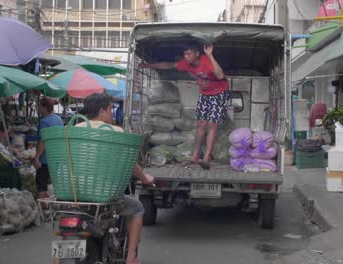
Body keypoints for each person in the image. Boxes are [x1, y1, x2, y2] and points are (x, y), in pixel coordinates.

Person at [76, 93, 154, 264]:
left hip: (73, 192)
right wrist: (145, 178)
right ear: (102, 111)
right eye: (111, 109)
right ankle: (131, 257)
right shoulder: (114, 132)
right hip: (102, 193)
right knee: (137, 208)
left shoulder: (74, 130)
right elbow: (130, 164)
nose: (112, 113)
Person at [139, 43, 229, 169]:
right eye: (184, 54)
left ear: (197, 54)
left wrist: (210, 55)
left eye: (188, 54)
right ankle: (195, 156)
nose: (186, 57)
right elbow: (169, 65)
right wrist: (148, 65)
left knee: (212, 124)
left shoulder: (206, 61)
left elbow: (220, 75)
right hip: (205, 93)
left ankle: (206, 158)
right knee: (201, 124)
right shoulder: (186, 64)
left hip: (219, 92)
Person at [34, 97, 64, 200]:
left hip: (45, 160)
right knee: (51, 186)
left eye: (39, 107)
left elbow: (43, 140)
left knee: (42, 187)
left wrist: (37, 157)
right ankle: (49, 211)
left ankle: (42, 212)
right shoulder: (58, 119)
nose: (38, 109)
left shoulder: (44, 122)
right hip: (56, 159)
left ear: (45, 107)